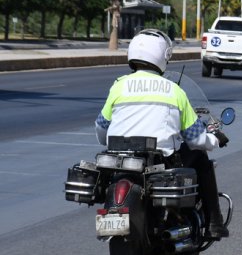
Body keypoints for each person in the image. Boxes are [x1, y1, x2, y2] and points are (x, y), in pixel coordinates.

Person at [94, 29, 229, 239]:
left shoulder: (118, 86)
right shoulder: (174, 91)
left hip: (120, 161)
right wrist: (213, 139)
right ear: (163, 55)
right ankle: (214, 222)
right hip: (159, 163)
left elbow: (102, 128)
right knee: (201, 158)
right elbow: (195, 138)